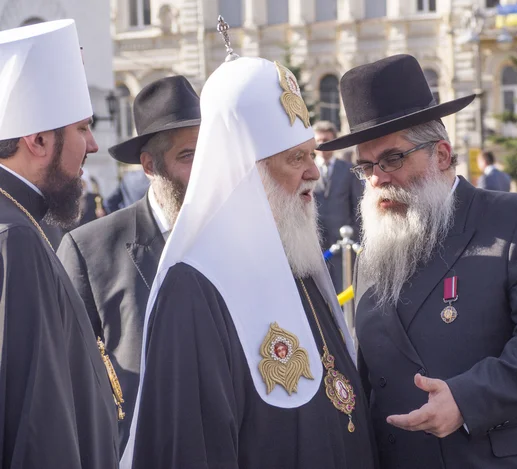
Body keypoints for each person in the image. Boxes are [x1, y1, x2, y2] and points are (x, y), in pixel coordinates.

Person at [317, 54, 517, 469]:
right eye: (367, 166)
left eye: (392, 159)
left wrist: (466, 398)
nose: (377, 179)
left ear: (442, 154)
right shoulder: (376, 252)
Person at [121, 52, 377, 469]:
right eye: (296, 158)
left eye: (311, 155)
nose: (315, 173)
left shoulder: (296, 256)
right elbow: (189, 450)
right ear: (246, 174)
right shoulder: (193, 289)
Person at [57, 75, 201, 455]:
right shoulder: (90, 250)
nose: (205, 171)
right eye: (188, 156)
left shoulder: (237, 236)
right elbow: (70, 384)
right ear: (150, 166)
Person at [0, 20, 119, 468]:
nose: (91, 145)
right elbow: (34, 418)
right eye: (83, 128)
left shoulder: (21, 220)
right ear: (39, 140)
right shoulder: (16, 240)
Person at [313, 120, 363, 292]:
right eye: (319, 141)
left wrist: (354, 235)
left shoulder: (348, 170)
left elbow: (357, 204)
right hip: (315, 245)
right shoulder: (307, 171)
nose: (322, 144)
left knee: (344, 292)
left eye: (326, 140)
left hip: (344, 246)